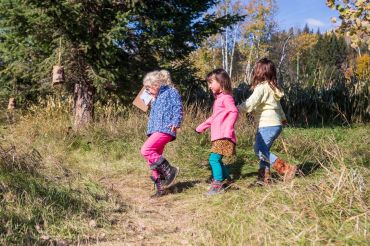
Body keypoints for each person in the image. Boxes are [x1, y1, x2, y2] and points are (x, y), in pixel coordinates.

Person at [239, 58, 297, 185]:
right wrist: (283, 119)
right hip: (276, 124)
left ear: (259, 72)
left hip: (267, 124)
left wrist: (237, 109)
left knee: (259, 149)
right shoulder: (272, 87)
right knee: (264, 151)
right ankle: (264, 177)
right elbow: (278, 106)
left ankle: (286, 168)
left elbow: (250, 103)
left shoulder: (261, 87)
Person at [140, 70, 183, 197]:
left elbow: (178, 107)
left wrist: (176, 122)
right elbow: (144, 105)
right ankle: (161, 188)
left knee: (145, 150)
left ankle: (171, 170)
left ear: (156, 84)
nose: (147, 90)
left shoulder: (171, 91)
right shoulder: (155, 97)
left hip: (165, 128)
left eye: (148, 88)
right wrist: (150, 98)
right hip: (154, 129)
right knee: (152, 159)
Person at [196, 68, 238, 195]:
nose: (209, 86)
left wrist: (228, 128)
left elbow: (234, 111)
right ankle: (227, 180)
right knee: (217, 160)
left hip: (224, 136)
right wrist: (202, 126)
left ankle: (218, 184)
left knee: (213, 159)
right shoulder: (219, 99)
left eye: (211, 82)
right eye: (208, 83)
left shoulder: (226, 98)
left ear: (222, 82)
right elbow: (215, 117)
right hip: (219, 136)